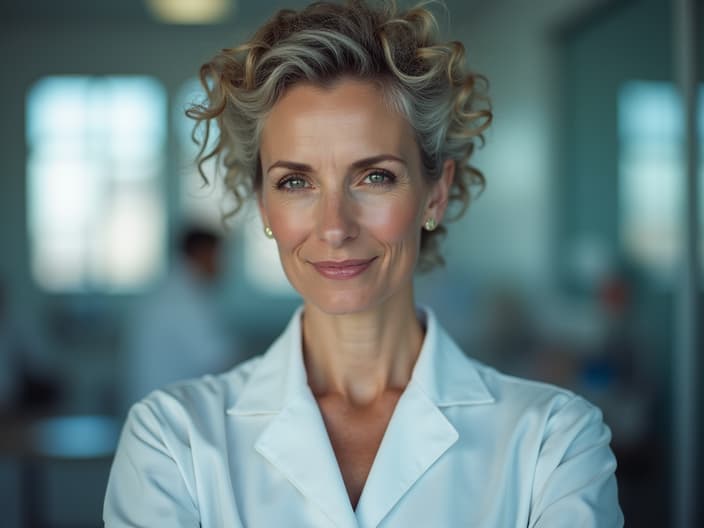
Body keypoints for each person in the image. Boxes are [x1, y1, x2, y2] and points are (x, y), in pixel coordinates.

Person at [104, 1, 624, 526]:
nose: (334, 226)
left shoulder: (552, 442)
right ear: (264, 207)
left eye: (374, 176)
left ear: (434, 195)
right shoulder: (172, 439)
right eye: (295, 182)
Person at [120, 226, 236, 412]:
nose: (224, 265)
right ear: (202, 254)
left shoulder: (164, 291)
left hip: (152, 406)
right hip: (171, 413)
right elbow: (218, 360)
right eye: (219, 256)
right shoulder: (187, 301)